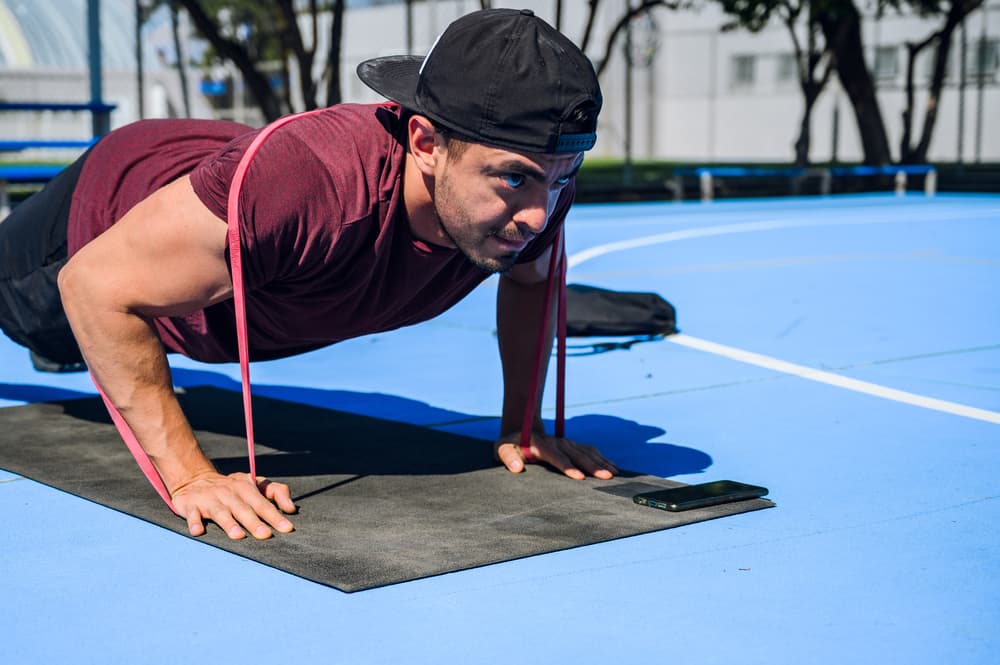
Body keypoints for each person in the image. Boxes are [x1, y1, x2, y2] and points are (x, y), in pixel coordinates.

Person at [0, 8, 617, 541]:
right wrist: (192, 476)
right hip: (101, 216)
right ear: (426, 142)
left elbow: (533, 281)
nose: (540, 214)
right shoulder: (310, 186)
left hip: (214, 232)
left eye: (561, 176)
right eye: (513, 177)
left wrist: (524, 424)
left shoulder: (532, 198)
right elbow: (92, 285)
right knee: (46, 320)